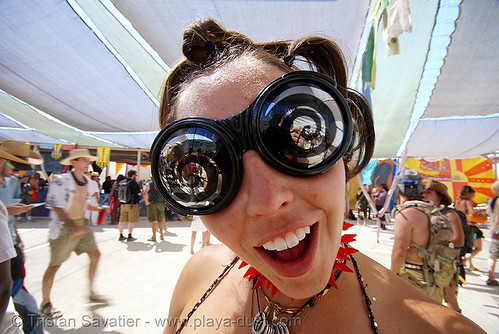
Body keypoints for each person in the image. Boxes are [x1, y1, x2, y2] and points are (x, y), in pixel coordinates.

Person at [151, 19, 482, 333]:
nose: (267, 201)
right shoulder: (198, 276)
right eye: (210, 170)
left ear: (341, 149)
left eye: (295, 141)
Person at [41, 148, 107, 317]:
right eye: (84, 160)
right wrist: (72, 225)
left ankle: (91, 292)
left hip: (82, 225)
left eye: (87, 160)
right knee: (54, 266)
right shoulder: (60, 181)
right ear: (73, 162)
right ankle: (46, 303)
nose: (88, 163)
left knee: (96, 255)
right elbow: (55, 205)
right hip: (65, 228)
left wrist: (97, 208)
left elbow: (83, 203)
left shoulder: (86, 180)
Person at [422, 180, 464, 312]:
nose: (425, 195)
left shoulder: (449, 214)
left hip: (445, 263)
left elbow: (459, 240)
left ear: (440, 196)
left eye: (429, 192)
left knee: (450, 299)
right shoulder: (426, 211)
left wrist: (436, 241)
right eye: (424, 192)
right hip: (429, 262)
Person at [455, 185, 486, 270]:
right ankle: (464, 260)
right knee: (477, 248)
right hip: (471, 226)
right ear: (469, 194)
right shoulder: (467, 201)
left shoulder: (458, 201)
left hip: (461, 225)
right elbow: (472, 212)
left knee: (468, 246)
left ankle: (470, 265)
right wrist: (482, 210)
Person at [118, 170, 141, 242]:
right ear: (133, 175)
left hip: (123, 204)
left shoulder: (123, 182)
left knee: (122, 220)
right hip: (132, 204)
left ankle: (121, 235)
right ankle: (129, 235)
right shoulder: (133, 183)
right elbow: (139, 193)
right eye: (136, 175)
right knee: (131, 220)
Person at [486, 180, 499, 286]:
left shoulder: (493, 201)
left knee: (493, 255)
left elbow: (488, 213)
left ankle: (490, 276)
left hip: (495, 231)